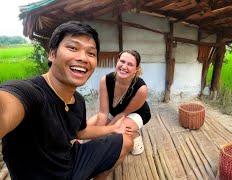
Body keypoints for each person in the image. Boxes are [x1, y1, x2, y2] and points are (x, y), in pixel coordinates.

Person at [0, 21, 133, 180]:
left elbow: (80, 132)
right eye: (73, 48)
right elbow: (5, 108)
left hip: (69, 161)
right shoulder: (31, 93)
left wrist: (113, 129)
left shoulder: (78, 100)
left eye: (91, 53)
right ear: (52, 54)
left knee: (125, 141)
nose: (83, 58)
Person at [87, 50, 151, 155]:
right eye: (122, 61)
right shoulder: (105, 80)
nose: (124, 67)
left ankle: (134, 135)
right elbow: (103, 113)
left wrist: (105, 132)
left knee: (114, 136)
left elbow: (123, 114)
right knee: (89, 127)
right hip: (116, 111)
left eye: (130, 64)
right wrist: (97, 134)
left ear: (136, 69)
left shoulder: (141, 88)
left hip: (135, 113)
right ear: (117, 62)